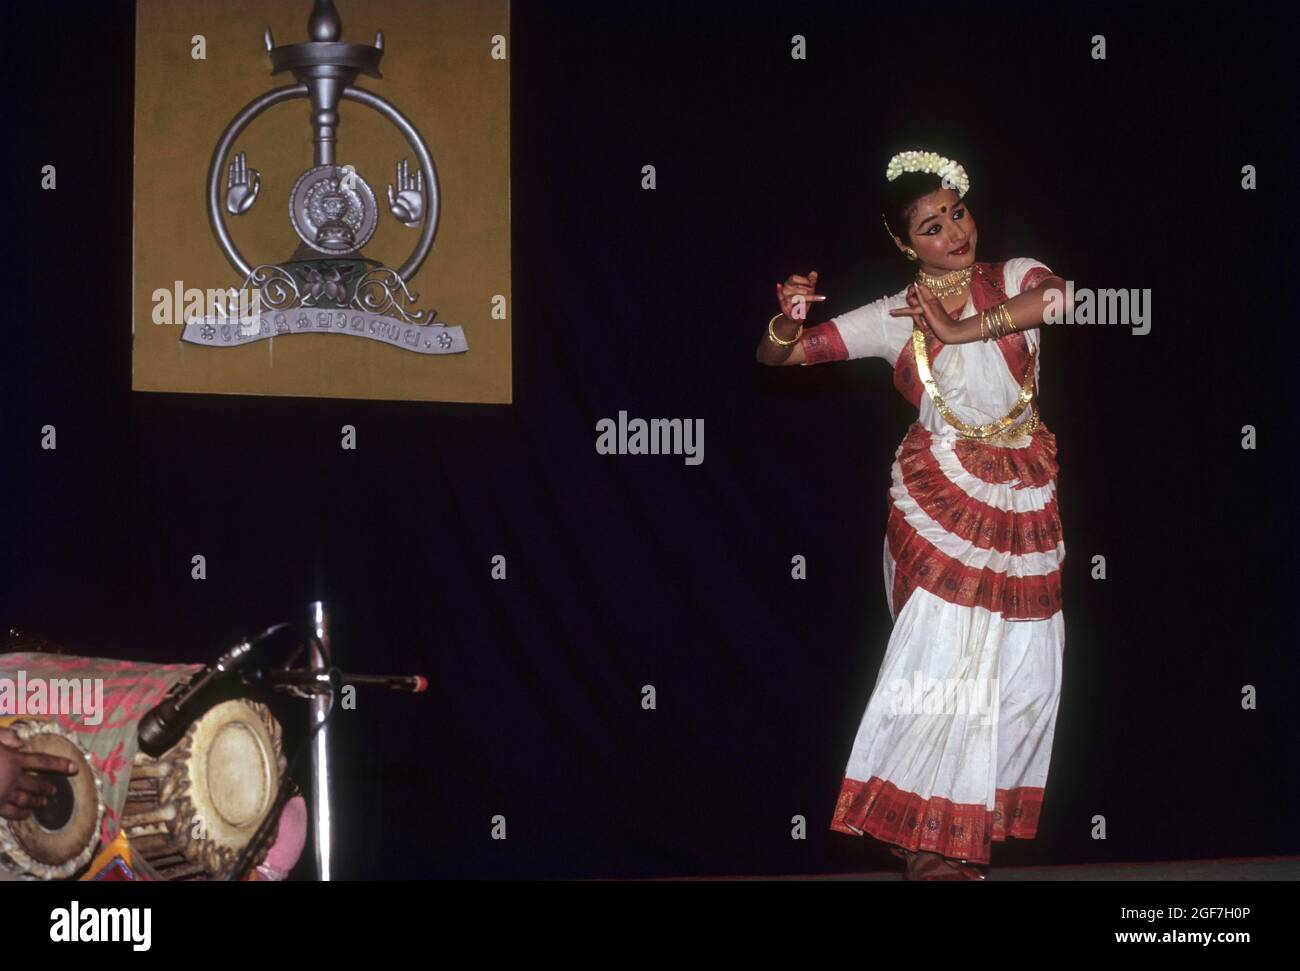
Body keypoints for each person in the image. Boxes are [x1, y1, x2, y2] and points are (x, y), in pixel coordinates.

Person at [756, 150, 1069, 880]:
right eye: (931, 226)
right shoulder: (894, 314)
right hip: (940, 495)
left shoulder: (1016, 275)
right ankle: (932, 848)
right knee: (938, 660)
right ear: (906, 244)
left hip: (1023, 495)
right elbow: (783, 357)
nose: (953, 232)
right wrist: (784, 318)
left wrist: (964, 330)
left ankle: (955, 835)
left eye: (956, 211)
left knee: (1018, 670)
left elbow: (1061, 299)